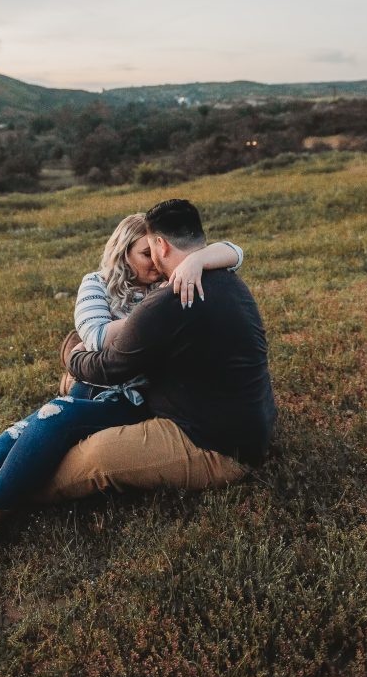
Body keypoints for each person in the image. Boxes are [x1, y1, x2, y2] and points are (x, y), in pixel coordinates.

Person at [0, 212, 243, 575]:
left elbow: (236, 252)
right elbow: (95, 335)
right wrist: (134, 335)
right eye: (145, 255)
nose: (155, 265)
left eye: (156, 255)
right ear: (122, 250)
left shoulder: (171, 283)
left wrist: (195, 262)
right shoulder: (96, 283)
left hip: (138, 399)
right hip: (94, 387)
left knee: (53, 417)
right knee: (15, 434)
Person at [31, 198, 277, 507]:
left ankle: (4, 498)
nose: (151, 263)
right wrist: (196, 261)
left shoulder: (168, 299)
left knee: (94, 455)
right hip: (244, 429)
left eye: (150, 250)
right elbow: (235, 251)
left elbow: (110, 368)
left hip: (214, 447)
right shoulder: (225, 279)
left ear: (160, 245)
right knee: (81, 421)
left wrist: (72, 357)